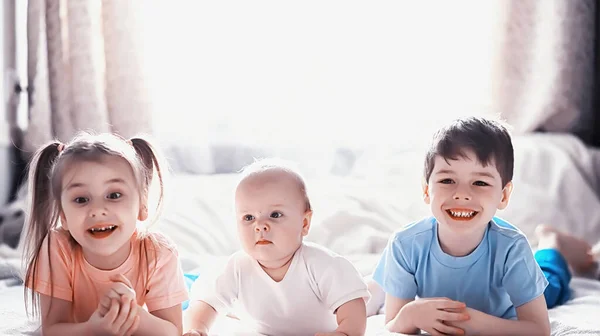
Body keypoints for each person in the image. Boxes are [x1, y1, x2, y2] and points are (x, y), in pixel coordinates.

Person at [371, 116, 554, 336]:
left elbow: (539, 330)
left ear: (503, 196)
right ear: (427, 190)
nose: (462, 195)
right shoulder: (404, 245)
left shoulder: (512, 249)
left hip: (512, 300)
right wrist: (410, 315)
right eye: (447, 180)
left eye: (480, 183)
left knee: (553, 279)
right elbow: (392, 326)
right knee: (377, 288)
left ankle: (551, 241)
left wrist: (473, 322)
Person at [23, 132, 188, 336]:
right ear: (63, 216)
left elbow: (172, 332)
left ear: (142, 205)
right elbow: (54, 330)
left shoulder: (159, 253)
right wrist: (94, 329)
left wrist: (132, 313)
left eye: (114, 195)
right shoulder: (56, 247)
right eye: (81, 199)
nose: (98, 210)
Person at [183, 158, 370, 336]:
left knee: (367, 292)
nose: (260, 225)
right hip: (257, 326)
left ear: (304, 223)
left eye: (275, 214)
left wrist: (345, 332)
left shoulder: (322, 265)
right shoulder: (236, 267)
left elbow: (352, 306)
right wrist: (197, 329)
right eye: (248, 217)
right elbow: (206, 303)